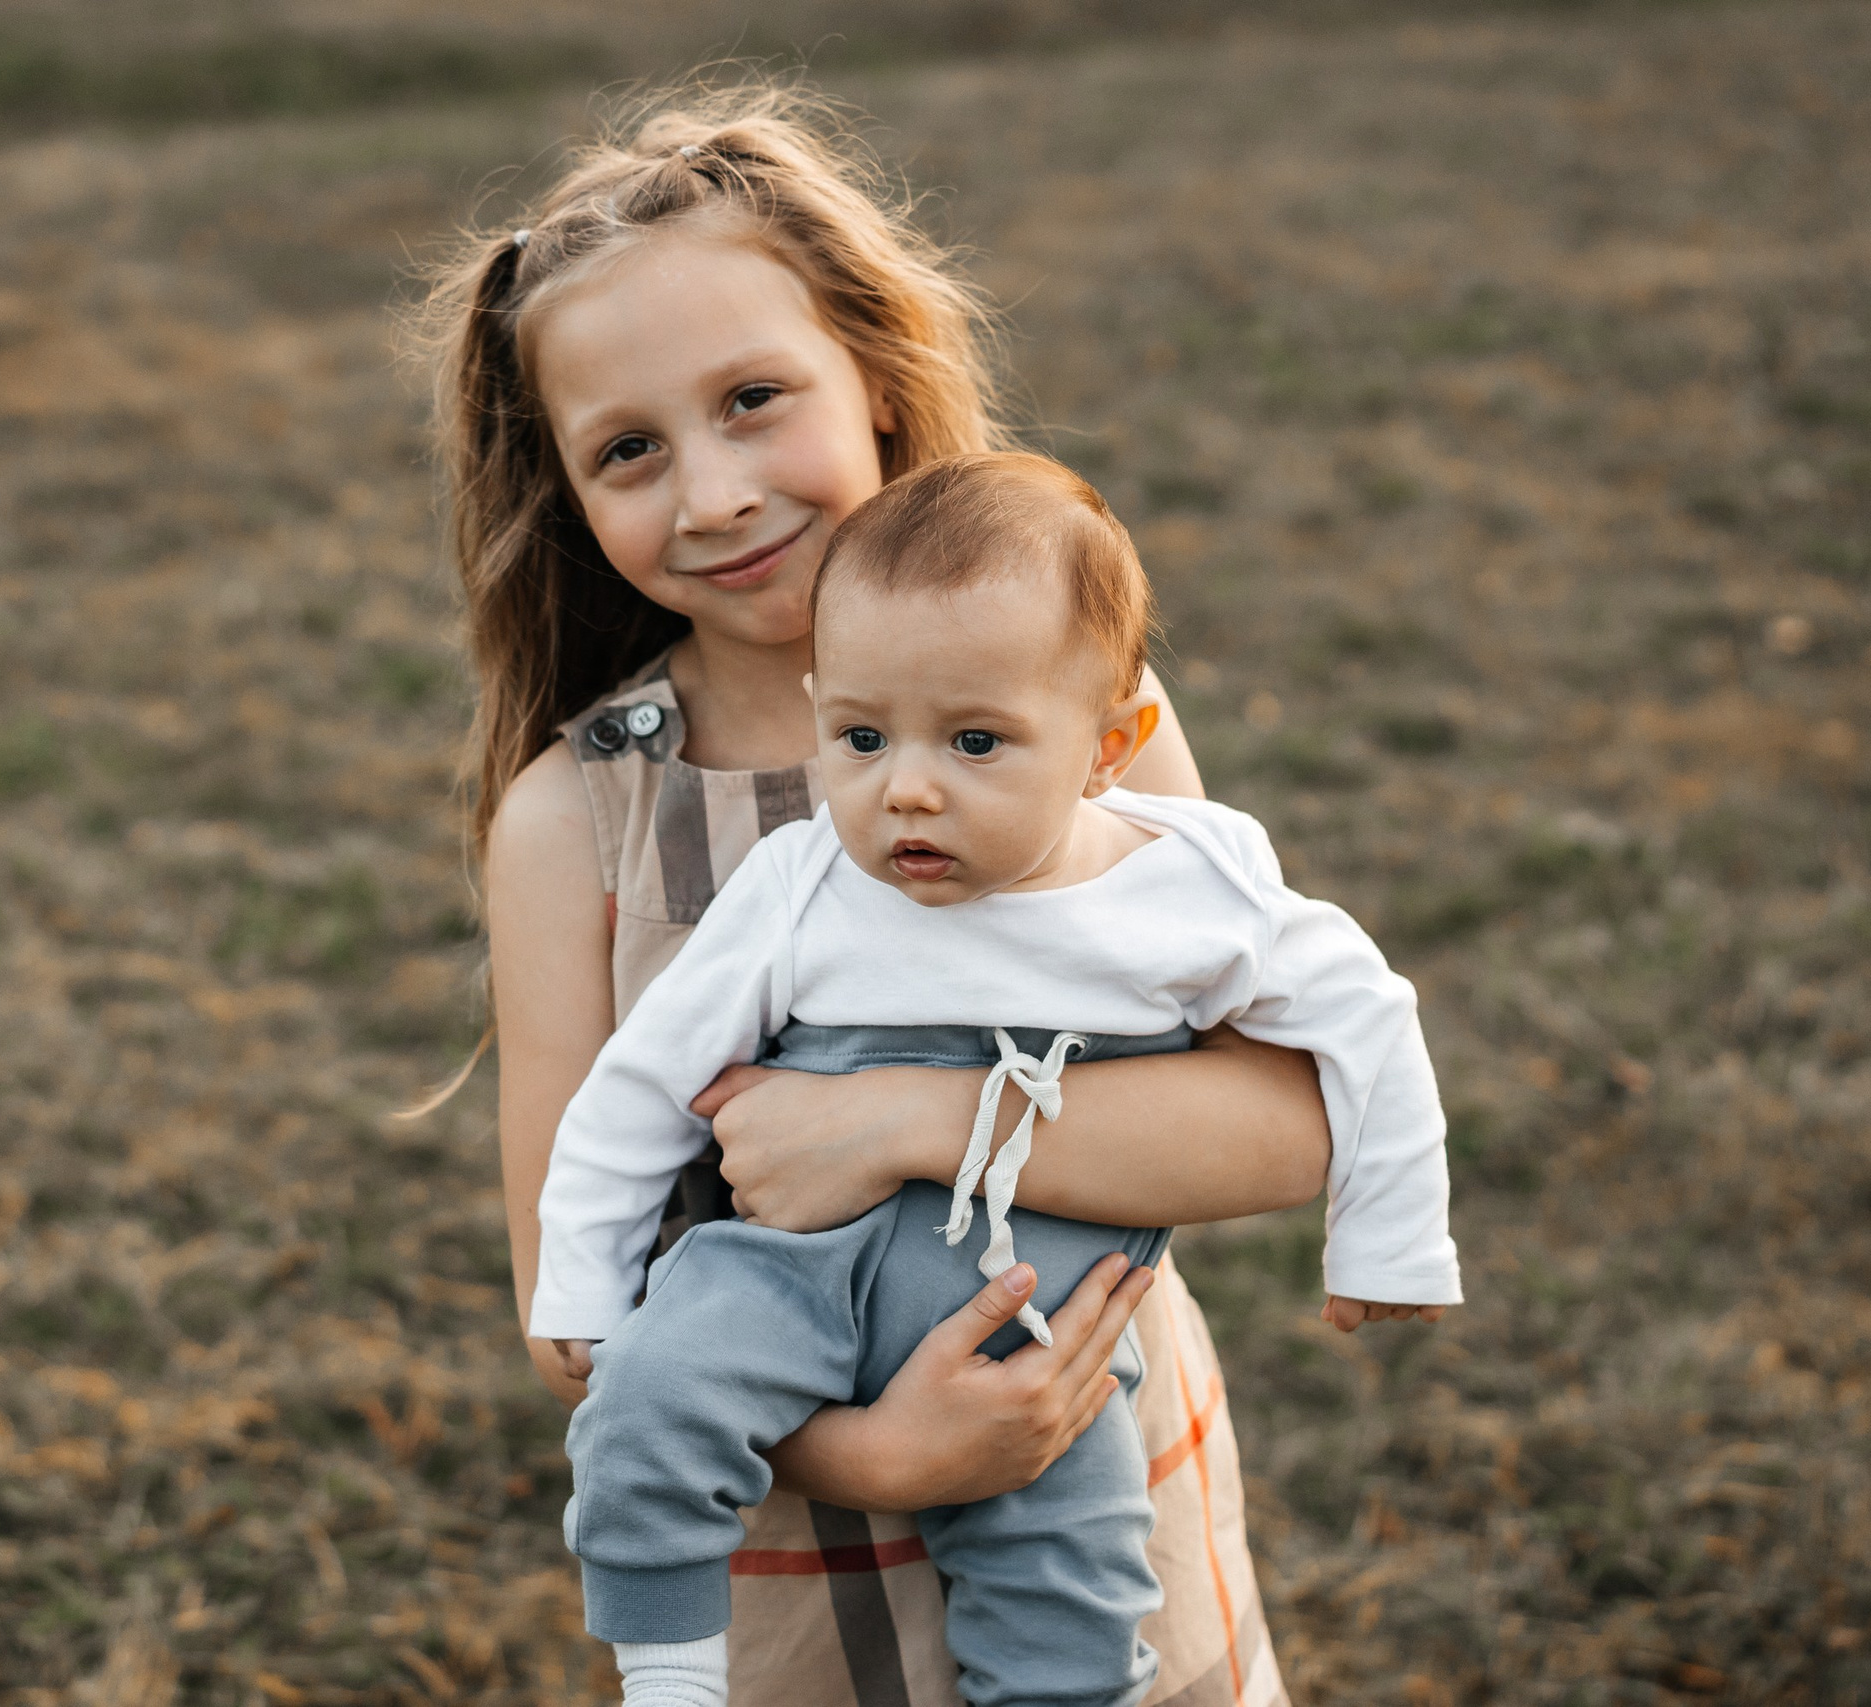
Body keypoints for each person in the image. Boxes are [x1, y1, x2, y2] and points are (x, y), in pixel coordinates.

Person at [415, 82, 1339, 1705]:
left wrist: (911, 1120)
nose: (711, 493)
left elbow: (1283, 1124)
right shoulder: (580, 820)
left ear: (881, 381)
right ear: (567, 489)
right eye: (630, 449)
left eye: (756, 398)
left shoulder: (1065, 731)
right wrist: (876, 1453)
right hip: (792, 1570)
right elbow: (577, 1312)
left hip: (1099, 1492)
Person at [535, 452, 1460, 1707]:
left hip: (1045, 1327)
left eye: (974, 741)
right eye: (859, 736)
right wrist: (584, 1280)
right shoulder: (806, 883)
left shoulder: (1184, 883)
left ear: (1108, 747)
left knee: (1068, 1595)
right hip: (798, 1272)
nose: (905, 786)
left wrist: (1388, 1246)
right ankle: (670, 1678)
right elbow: (641, 1084)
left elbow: (1364, 1022)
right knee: (649, 1398)